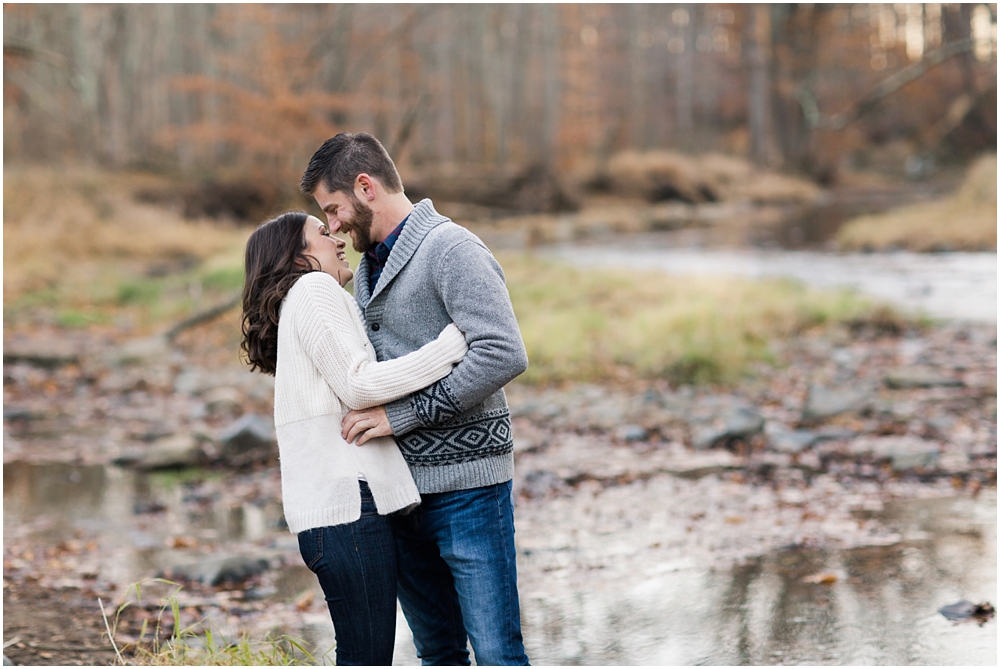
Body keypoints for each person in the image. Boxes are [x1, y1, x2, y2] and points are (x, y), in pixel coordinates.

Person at [300, 132, 531, 666]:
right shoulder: (366, 269)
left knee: (498, 654)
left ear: (366, 187)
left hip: (469, 491)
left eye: (333, 209)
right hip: (400, 496)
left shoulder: (452, 249)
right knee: (438, 654)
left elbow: (503, 352)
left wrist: (403, 416)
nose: (333, 226)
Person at [240, 211, 470, 666]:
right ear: (298, 257)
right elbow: (359, 385)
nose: (338, 239)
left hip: (340, 515)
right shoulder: (313, 289)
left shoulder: (298, 302)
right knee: (366, 659)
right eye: (323, 233)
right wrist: (448, 348)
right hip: (349, 512)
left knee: (368, 656)